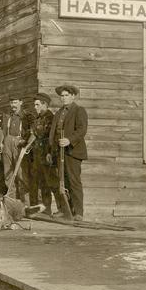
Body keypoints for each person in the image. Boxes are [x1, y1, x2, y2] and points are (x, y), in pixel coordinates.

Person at [49, 85, 88, 221]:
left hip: (73, 152)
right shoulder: (59, 113)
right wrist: (51, 150)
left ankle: (78, 212)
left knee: (74, 181)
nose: (63, 98)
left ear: (73, 96)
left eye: (66, 95)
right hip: (59, 153)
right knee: (62, 181)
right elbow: (53, 133)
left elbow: (82, 130)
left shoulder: (79, 110)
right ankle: (65, 210)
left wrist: (69, 140)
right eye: (62, 96)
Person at [30, 93, 65, 216]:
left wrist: (50, 153)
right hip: (37, 155)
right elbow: (34, 134)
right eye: (35, 104)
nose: (35, 107)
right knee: (43, 183)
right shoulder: (38, 118)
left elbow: (52, 138)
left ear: (44, 104)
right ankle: (46, 208)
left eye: (37, 104)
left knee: (53, 182)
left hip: (47, 155)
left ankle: (62, 208)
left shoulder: (51, 118)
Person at [2, 96, 35, 204]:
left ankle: (25, 202)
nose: (13, 105)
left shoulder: (26, 116)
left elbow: (32, 132)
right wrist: (1, 142)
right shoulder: (8, 116)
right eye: (11, 102)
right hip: (7, 142)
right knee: (8, 171)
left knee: (21, 172)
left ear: (21, 102)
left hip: (19, 143)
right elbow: (2, 131)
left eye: (15, 102)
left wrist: (25, 142)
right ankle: (12, 201)